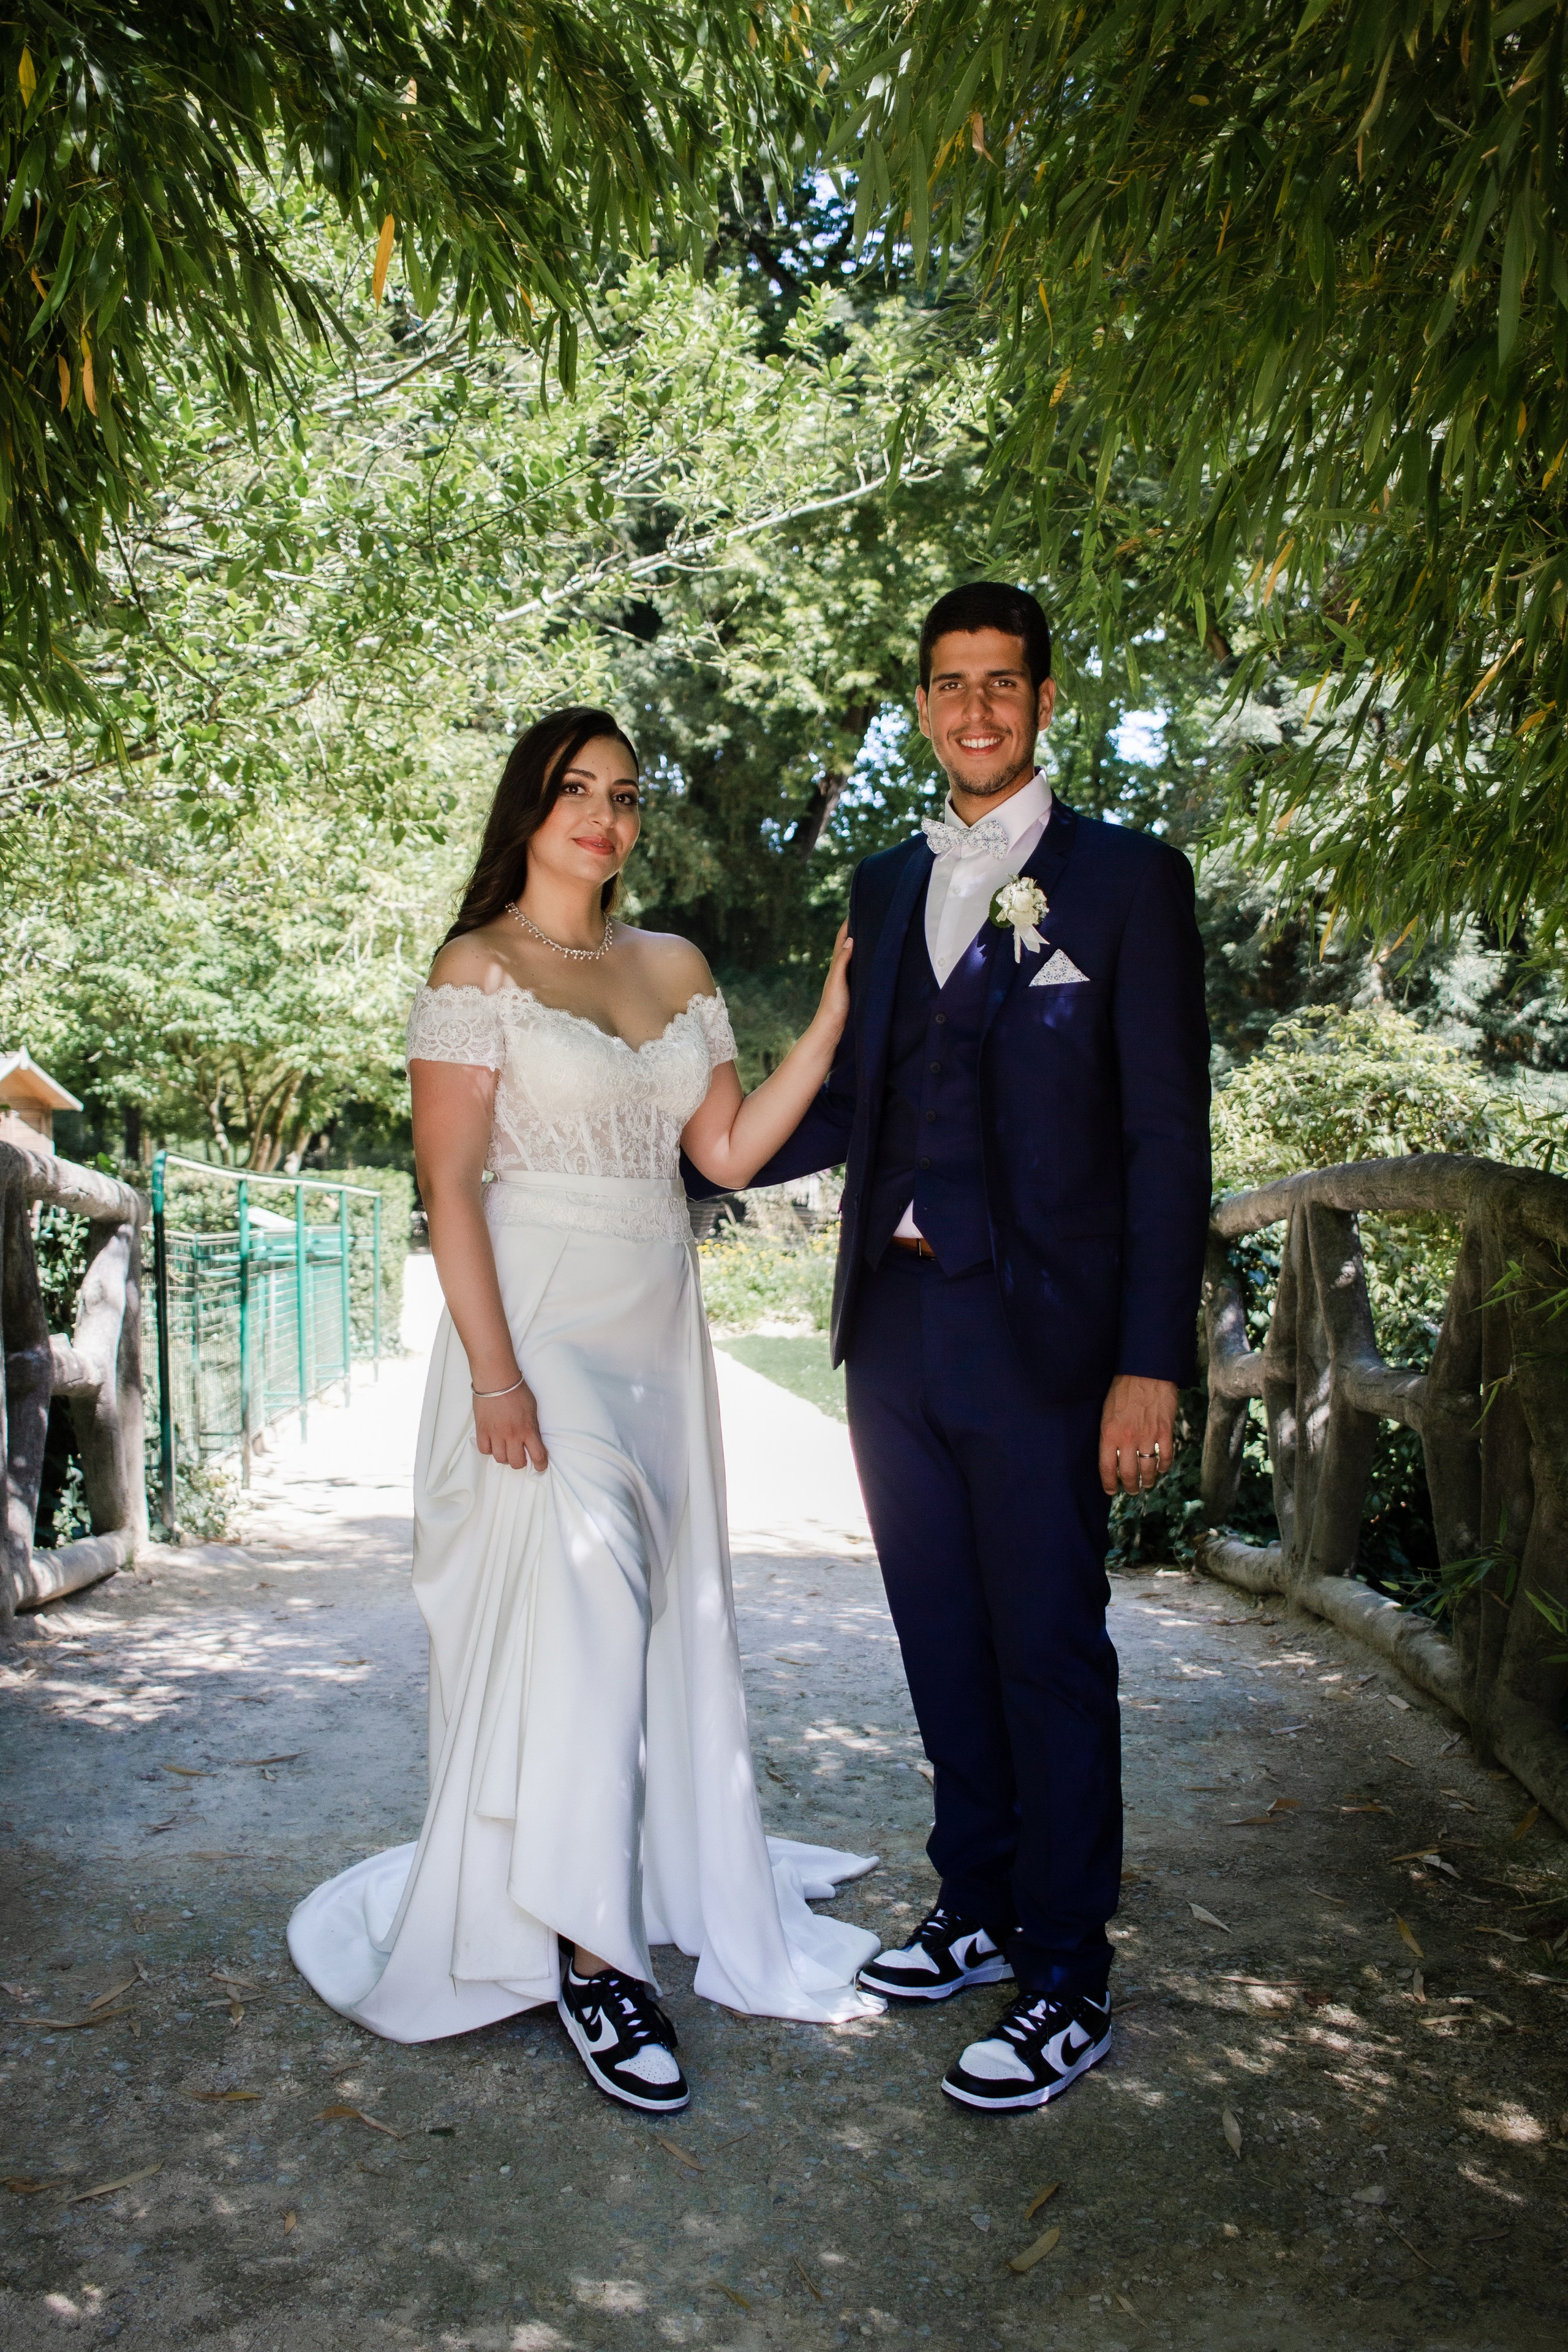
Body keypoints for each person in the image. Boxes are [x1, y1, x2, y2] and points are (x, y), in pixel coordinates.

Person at [287, 706, 880, 2110]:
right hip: (537, 1320)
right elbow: (448, 1190)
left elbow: (726, 1151)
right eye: (575, 791)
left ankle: (608, 1875)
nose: (603, 818)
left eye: (623, 795)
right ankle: (590, 1959)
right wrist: (495, 1379)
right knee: (587, 1574)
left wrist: (837, 1023)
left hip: (653, 1317)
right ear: (529, 805)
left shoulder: (673, 965)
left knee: (638, 1605)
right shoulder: (476, 965)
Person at [701, 583, 1211, 2112]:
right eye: (948, 685)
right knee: (936, 1636)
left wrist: (1149, 1361)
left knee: (1046, 1645)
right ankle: (976, 1902)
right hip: (897, 1328)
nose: (975, 710)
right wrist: (671, 1160)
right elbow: (861, 1102)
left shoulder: (1124, 883)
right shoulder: (878, 882)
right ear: (920, 704)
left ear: (1044, 701)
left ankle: (1067, 1973)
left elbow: (1162, 1137)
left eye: (1003, 685)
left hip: (1047, 1336)